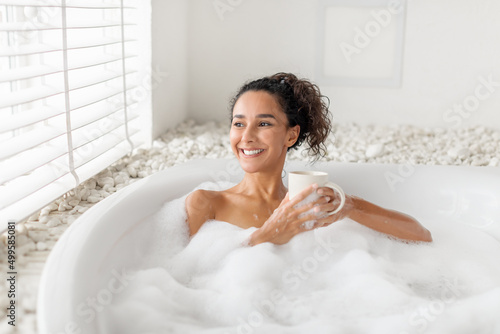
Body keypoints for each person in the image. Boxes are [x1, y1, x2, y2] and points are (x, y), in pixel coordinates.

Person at [185, 73, 432, 245]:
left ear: (291, 135)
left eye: (263, 123)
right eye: (238, 123)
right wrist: (265, 237)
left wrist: (350, 206)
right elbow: (191, 278)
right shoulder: (207, 202)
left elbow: (421, 235)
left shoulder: (309, 207)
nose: (246, 137)